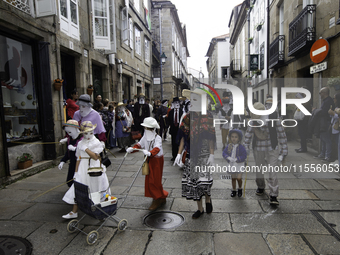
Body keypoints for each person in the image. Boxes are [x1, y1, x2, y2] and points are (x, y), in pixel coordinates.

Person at [174, 89, 216, 219]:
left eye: (195, 99)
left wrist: (212, 154)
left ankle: (208, 198)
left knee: (205, 181)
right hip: (192, 153)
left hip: (204, 153)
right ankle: (200, 208)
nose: (192, 102)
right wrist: (179, 154)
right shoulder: (187, 117)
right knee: (195, 182)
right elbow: (182, 136)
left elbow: (211, 137)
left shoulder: (208, 116)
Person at [62, 121, 110, 219]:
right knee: (78, 188)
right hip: (82, 168)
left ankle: (100, 210)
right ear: (82, 133)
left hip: (93, 167)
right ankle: (74, 211)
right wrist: (75, 173)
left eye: (91, 133)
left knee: (95, 188)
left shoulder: (96, 142)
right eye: (86, 133)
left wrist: (86, 149)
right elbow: (78, 158)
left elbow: (95, 157)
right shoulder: (80, 143)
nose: (88, 136)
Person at [244, 102, 288, 206]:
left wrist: (284, 150)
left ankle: (273, 195)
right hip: (258, 148)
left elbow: (281, 134)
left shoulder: (273, 117)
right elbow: (248, 134)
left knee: (272, 171)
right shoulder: (253, 120)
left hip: (271, 147)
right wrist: (245, 147)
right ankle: (261, 186)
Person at [127, 117, 168, 210]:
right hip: (148, 159)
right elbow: (139, 145)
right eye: (145, 128)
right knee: (150, 180)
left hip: (156, 160)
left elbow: (157, 147)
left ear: (152, 129)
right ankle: (160, 197)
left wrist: (150, 152)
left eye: (147, 128)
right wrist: (132, 149)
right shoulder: (145, 137)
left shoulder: (157, 138)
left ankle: (157, 199)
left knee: (155, 180)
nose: (146, 130)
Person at [222, 129, 247, 197]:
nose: (234, 138)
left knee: (239, 178)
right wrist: (228, 157)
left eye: (236, 137)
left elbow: (244, 155)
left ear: (239, 138)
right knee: (233, 178)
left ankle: (239, 188)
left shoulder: (241, 147)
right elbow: (224, 153)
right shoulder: (229, 146)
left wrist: (237, 159)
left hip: (239, 164)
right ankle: (233, 190)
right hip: (232, 165)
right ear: (230, 137)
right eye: (232, 136)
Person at [313, 87, 335, 162]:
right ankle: (323, 154)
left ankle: (327, 156)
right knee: (323, 139)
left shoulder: (328, 101)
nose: (319, 95)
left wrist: (316, 110)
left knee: (327, 139)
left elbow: (324, 112)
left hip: (326, 122)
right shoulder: (325, 101)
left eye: (320, 93)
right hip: (323, 122)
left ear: (324, 93)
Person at [58, 120, 83, 187]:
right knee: (70, 180)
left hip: (80, 163)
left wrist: (75, 148)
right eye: (67, 132)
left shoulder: (81, 140)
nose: (69, 134)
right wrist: (62, 161)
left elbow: (84, 150)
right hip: (72, 162)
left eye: (70, 132)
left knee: (79, 179)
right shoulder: (70, 139)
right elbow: (68, 153)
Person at [328, 92, 340, 164]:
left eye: (334, 98)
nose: (334, 100)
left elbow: (338, 117)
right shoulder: (336, 106)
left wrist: (333, 114)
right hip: (334, 128)